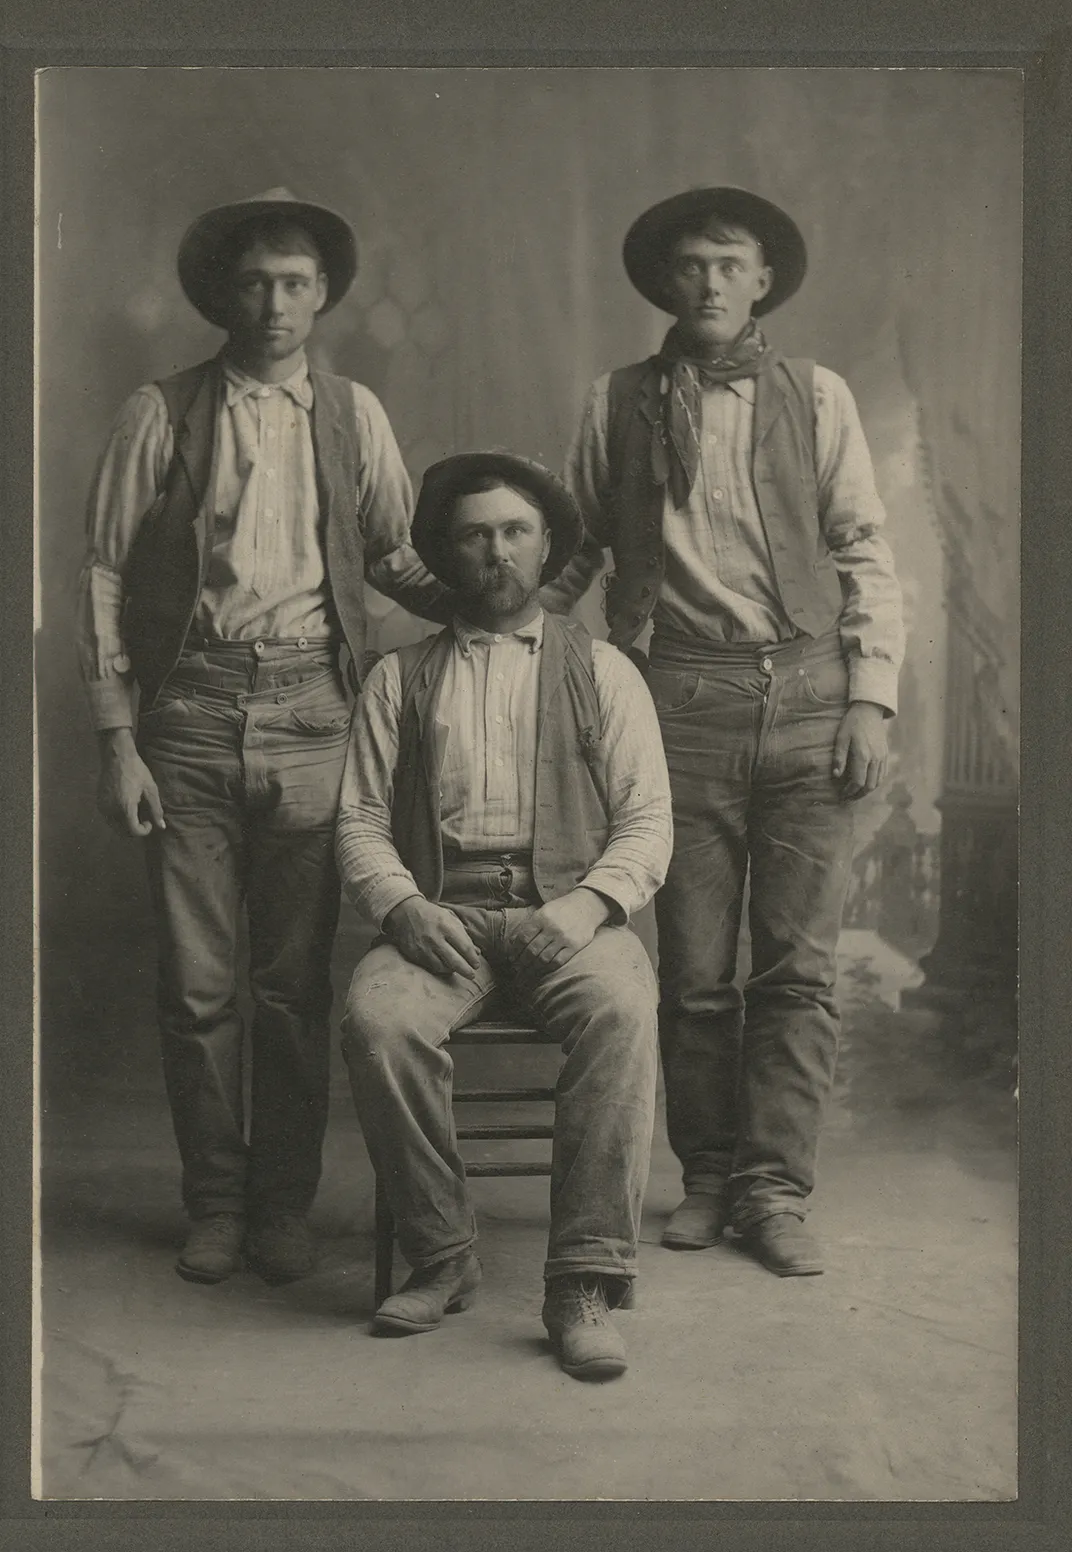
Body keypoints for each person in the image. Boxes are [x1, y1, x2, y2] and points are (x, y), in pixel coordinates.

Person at [78, 188, 457, 1287]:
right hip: (186, 712)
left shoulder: (355, 415)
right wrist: (116, 736)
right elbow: (102, 572)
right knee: (198, 986)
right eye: (254, 282)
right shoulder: (163, 409)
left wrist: (494, 599)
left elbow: (391, 555)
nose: (275, 302)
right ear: (220, 292)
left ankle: (283, 1205)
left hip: (314, 716)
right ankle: (216, 1200)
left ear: (326, 293)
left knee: (291, 986)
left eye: (295, 282)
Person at [564, 186, 905, 1276]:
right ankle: (707, 1175)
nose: (709, 282)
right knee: (696, 970)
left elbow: (862, 547)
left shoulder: (818, 395)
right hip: (677, 706)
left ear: (762, 280)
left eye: (730, 264)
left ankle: (773, 1189)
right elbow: (574, 554)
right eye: (690, 265)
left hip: (810, 697)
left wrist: (870, 695)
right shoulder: (613, 401)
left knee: (795, 968)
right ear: (664, 282)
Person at [336, 451, 672, 1380]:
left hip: (569, 909)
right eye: (475, 535)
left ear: (545, 547)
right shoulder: (396, 679)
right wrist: (401, 907)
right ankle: (443, 1255)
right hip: (442, 913)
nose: (497, 554)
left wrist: (587, 906)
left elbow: (647, 823)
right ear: (445, 553)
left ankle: (584, 1284)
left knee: (623, 1010)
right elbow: (360, 821)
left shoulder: (603, 671)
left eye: (515, 533)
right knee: (378, 1019)